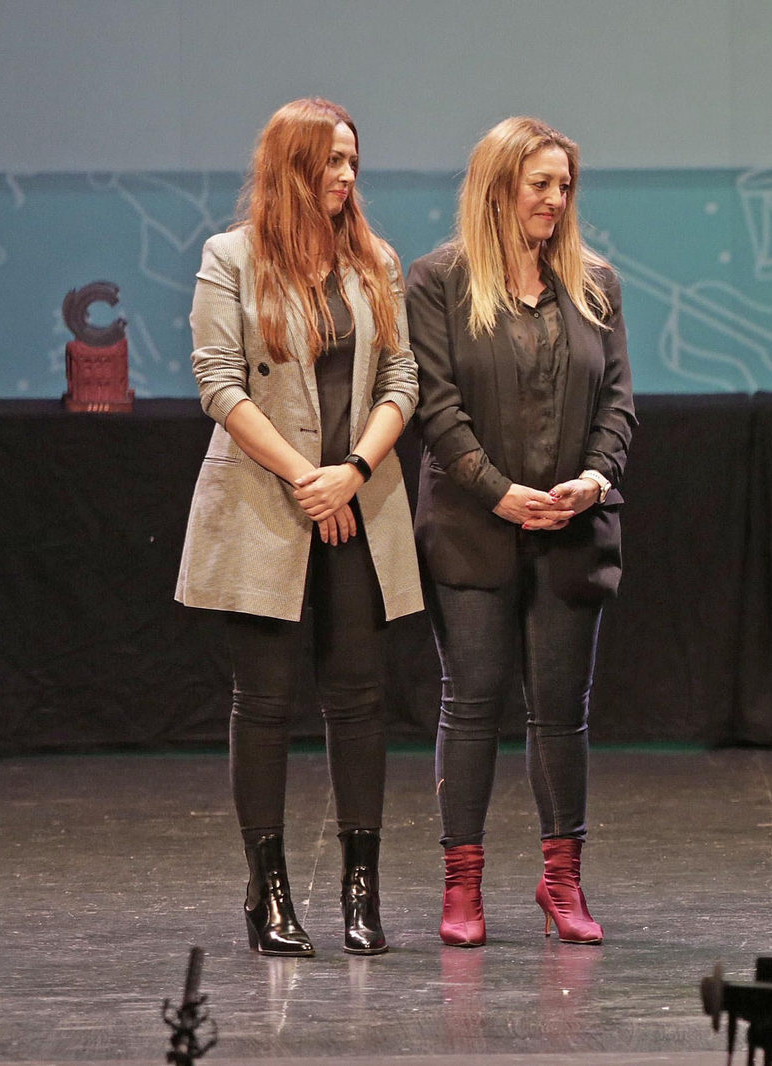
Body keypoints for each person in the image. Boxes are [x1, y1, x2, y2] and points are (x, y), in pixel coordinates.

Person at [176, 97, 421, 957]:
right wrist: (305, 480)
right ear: (291, 168)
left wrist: (350, 473)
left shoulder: (375, 262)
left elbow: (401, 381)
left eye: (353, 161)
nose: (346, 177)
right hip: (265, 503)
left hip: (358, 503)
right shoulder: (230, 258)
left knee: (359, 700)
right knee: (267, 703)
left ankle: (362, 889)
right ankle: (268, 892)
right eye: (330, 162)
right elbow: (219, 383)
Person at [407, 117, 634, 949]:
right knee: (470, 703)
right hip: (474, 528)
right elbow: (436, 406)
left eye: (564, 185)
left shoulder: (595, 283)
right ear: (499, 186)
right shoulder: (437, 281)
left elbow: (618, 402)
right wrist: (499, 493)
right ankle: (462, 886)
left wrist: (596, 480)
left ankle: (562, 881)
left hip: (573, 529)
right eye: (540, 184)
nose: (554, 199)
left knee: (561, 713)